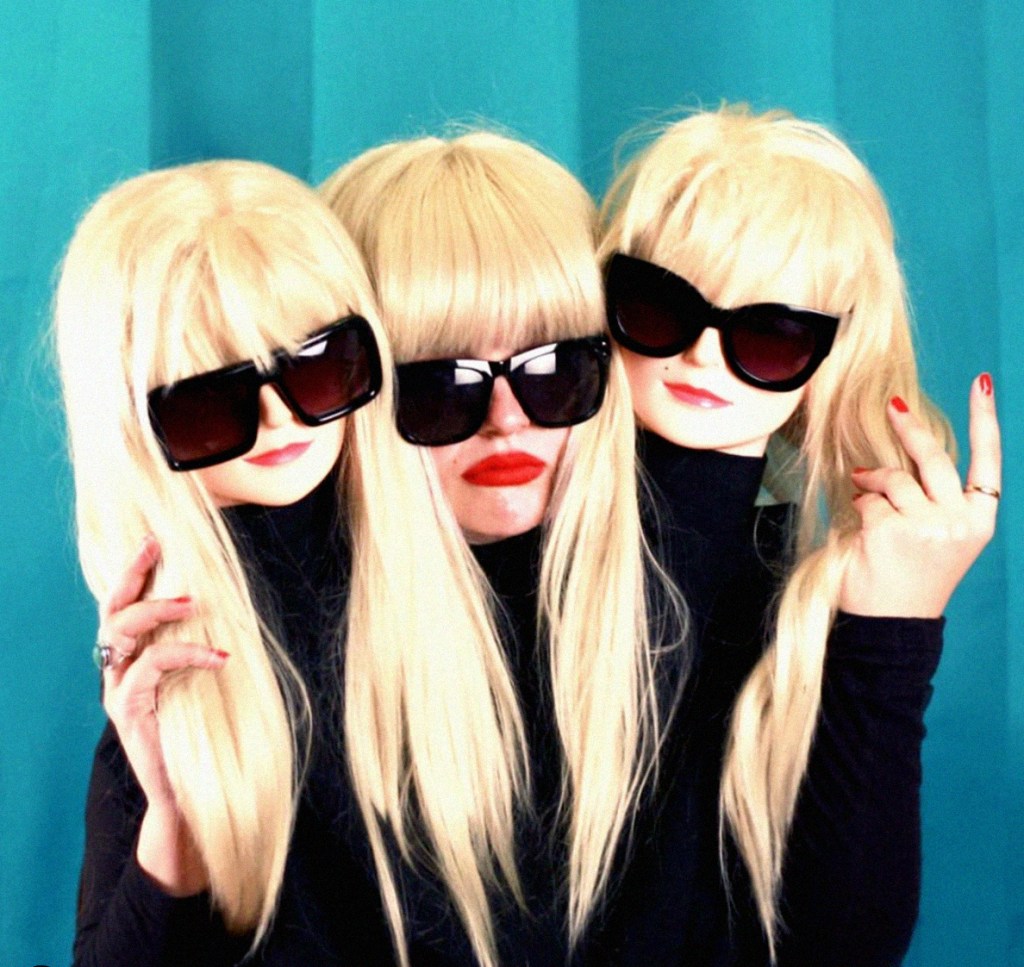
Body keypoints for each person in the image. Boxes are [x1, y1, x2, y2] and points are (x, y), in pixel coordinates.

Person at [59, 159, 496, 965]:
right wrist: (177, 816)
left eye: (317, 364)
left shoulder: (450, 590)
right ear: (131, 426)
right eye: (208, 397)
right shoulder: (172, 669)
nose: (279, 414)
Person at [597, 104, 1001, 964]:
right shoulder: (520, 532)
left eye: (769, 333)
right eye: (661, 305)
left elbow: (841, 946)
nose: (703, 355)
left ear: (832, 356)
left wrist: (893, 631)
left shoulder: (801, 589)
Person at [322, 131, 684, 967]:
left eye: (554, 366)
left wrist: (892, 623)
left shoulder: (688, 590)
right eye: (438, 382)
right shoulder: (283, 633)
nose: (508, 418)